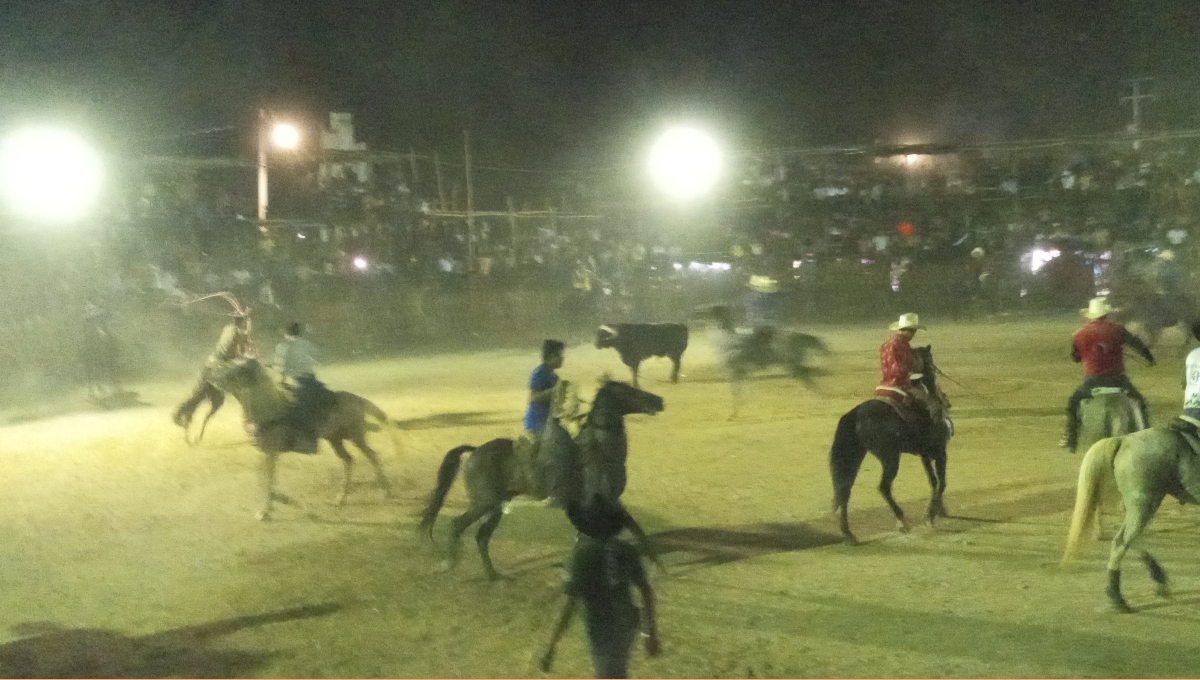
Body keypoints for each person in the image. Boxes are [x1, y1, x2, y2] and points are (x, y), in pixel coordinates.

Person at [539, 494, 661, 679]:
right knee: (617, 672)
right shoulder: (626, 549)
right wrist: (649, 633)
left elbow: (568, 605)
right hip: (626, 623)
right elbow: (645, 590)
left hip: (601, 629)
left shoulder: (582, 555)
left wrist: (551, 648)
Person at [1061, 297, 1154, 452]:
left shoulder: (1079, 334)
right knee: (1140, 402)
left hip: (1092, 381)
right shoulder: (1117, 329)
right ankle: (1147, 434)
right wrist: (1149, 357)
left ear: (1090, 315)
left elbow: (1076, 358)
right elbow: (1137, 343)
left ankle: (1071, 437)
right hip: (1118, 380)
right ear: (1106, 314)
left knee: (1073, 403)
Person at [173, 312, 254, 428]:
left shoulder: (227, 328)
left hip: (211, 362)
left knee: (199, 394)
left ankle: (182, 414)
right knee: (232, 386)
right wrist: (249, 320)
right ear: (242, 322)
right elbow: (247, 334)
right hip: (219, 366)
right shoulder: (237, 332)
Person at [514, 340, 565, 498]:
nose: (562, 359)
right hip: (536, 423)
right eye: (560, 355)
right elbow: (533, 397)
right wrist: (554, 391)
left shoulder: (553, 376)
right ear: (551, 356)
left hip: (549, 423)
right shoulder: (540, 373)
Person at [876, 313, 941, 423]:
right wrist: (912, 374)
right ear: (909, 330)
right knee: (930, 404)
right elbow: (901, 368)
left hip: (884, 385)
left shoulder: (887, 344)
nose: (914, 334)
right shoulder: (901, 345)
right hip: (900, 384)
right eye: (914, 331)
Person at [273, 322, 327, 454]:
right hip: (312, 380)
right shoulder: (306, 343)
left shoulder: (284, 346)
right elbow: (318, 358)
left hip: (297, 382)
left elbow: (281, 368)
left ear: (286, 333)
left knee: (293, 409)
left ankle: (301, 440)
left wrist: (278, 371)